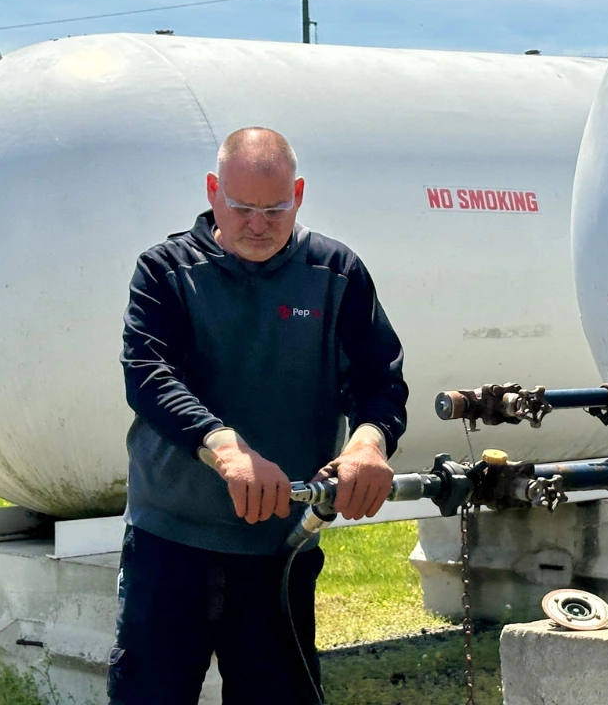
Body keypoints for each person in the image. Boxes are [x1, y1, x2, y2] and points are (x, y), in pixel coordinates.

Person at [110, 126, 408, 704]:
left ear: (298, 192)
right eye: (242, 207)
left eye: (275, 208)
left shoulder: (336, 273)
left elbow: (379, 380)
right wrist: (227, 450)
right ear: (212, 190)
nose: (257, 223)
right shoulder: (166, 271)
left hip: (281, 551)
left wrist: (368, 443)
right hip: (171, 544)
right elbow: (148, 377)